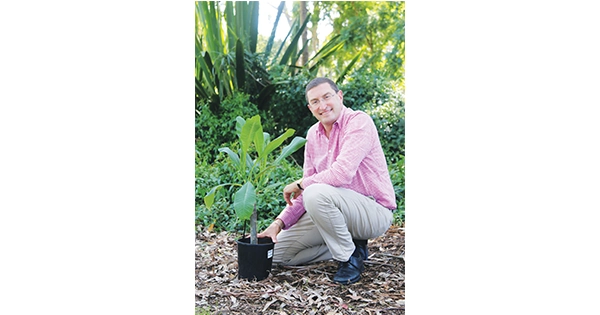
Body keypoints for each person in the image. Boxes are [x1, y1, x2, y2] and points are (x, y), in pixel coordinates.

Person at [257, 77, 397, 284]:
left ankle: (348, 258)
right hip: (333, 210)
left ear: (339, 96)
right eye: (315, 101)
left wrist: (300, 184)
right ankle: (351, 246)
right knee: (277, 255)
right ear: (309, 107)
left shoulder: (358, 122)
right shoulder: (313, 134)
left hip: (372, 212)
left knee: (315, 192)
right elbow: (307, 191)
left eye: (327, 97)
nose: (322, 106)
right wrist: (277, 224)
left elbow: (341, 174)